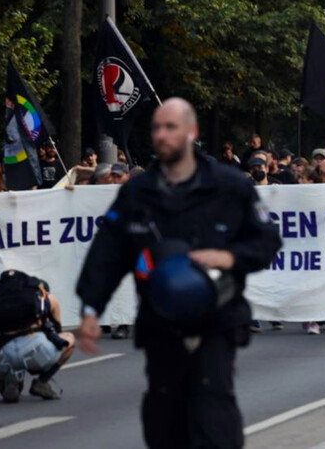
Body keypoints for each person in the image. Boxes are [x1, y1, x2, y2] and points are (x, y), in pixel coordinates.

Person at [75, 98, 282, 449]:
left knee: (212, 413)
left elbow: (266, 241)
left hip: (216, 320)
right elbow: (108, 252)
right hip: (161, 323)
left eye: (171, 127)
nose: (162, 135)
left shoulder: (230, 186)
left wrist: (229, 256)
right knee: (163, 418)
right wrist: (91, 308)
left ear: (191, 132)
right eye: (157, 128)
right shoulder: (137, 193)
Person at [0, 271, 75, 402]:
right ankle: (42, 382)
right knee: (69, 339)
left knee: (7, 350)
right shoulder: (46, 298)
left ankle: (9, 379)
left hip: (4, 353)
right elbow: (57, 330)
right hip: (36, 350)